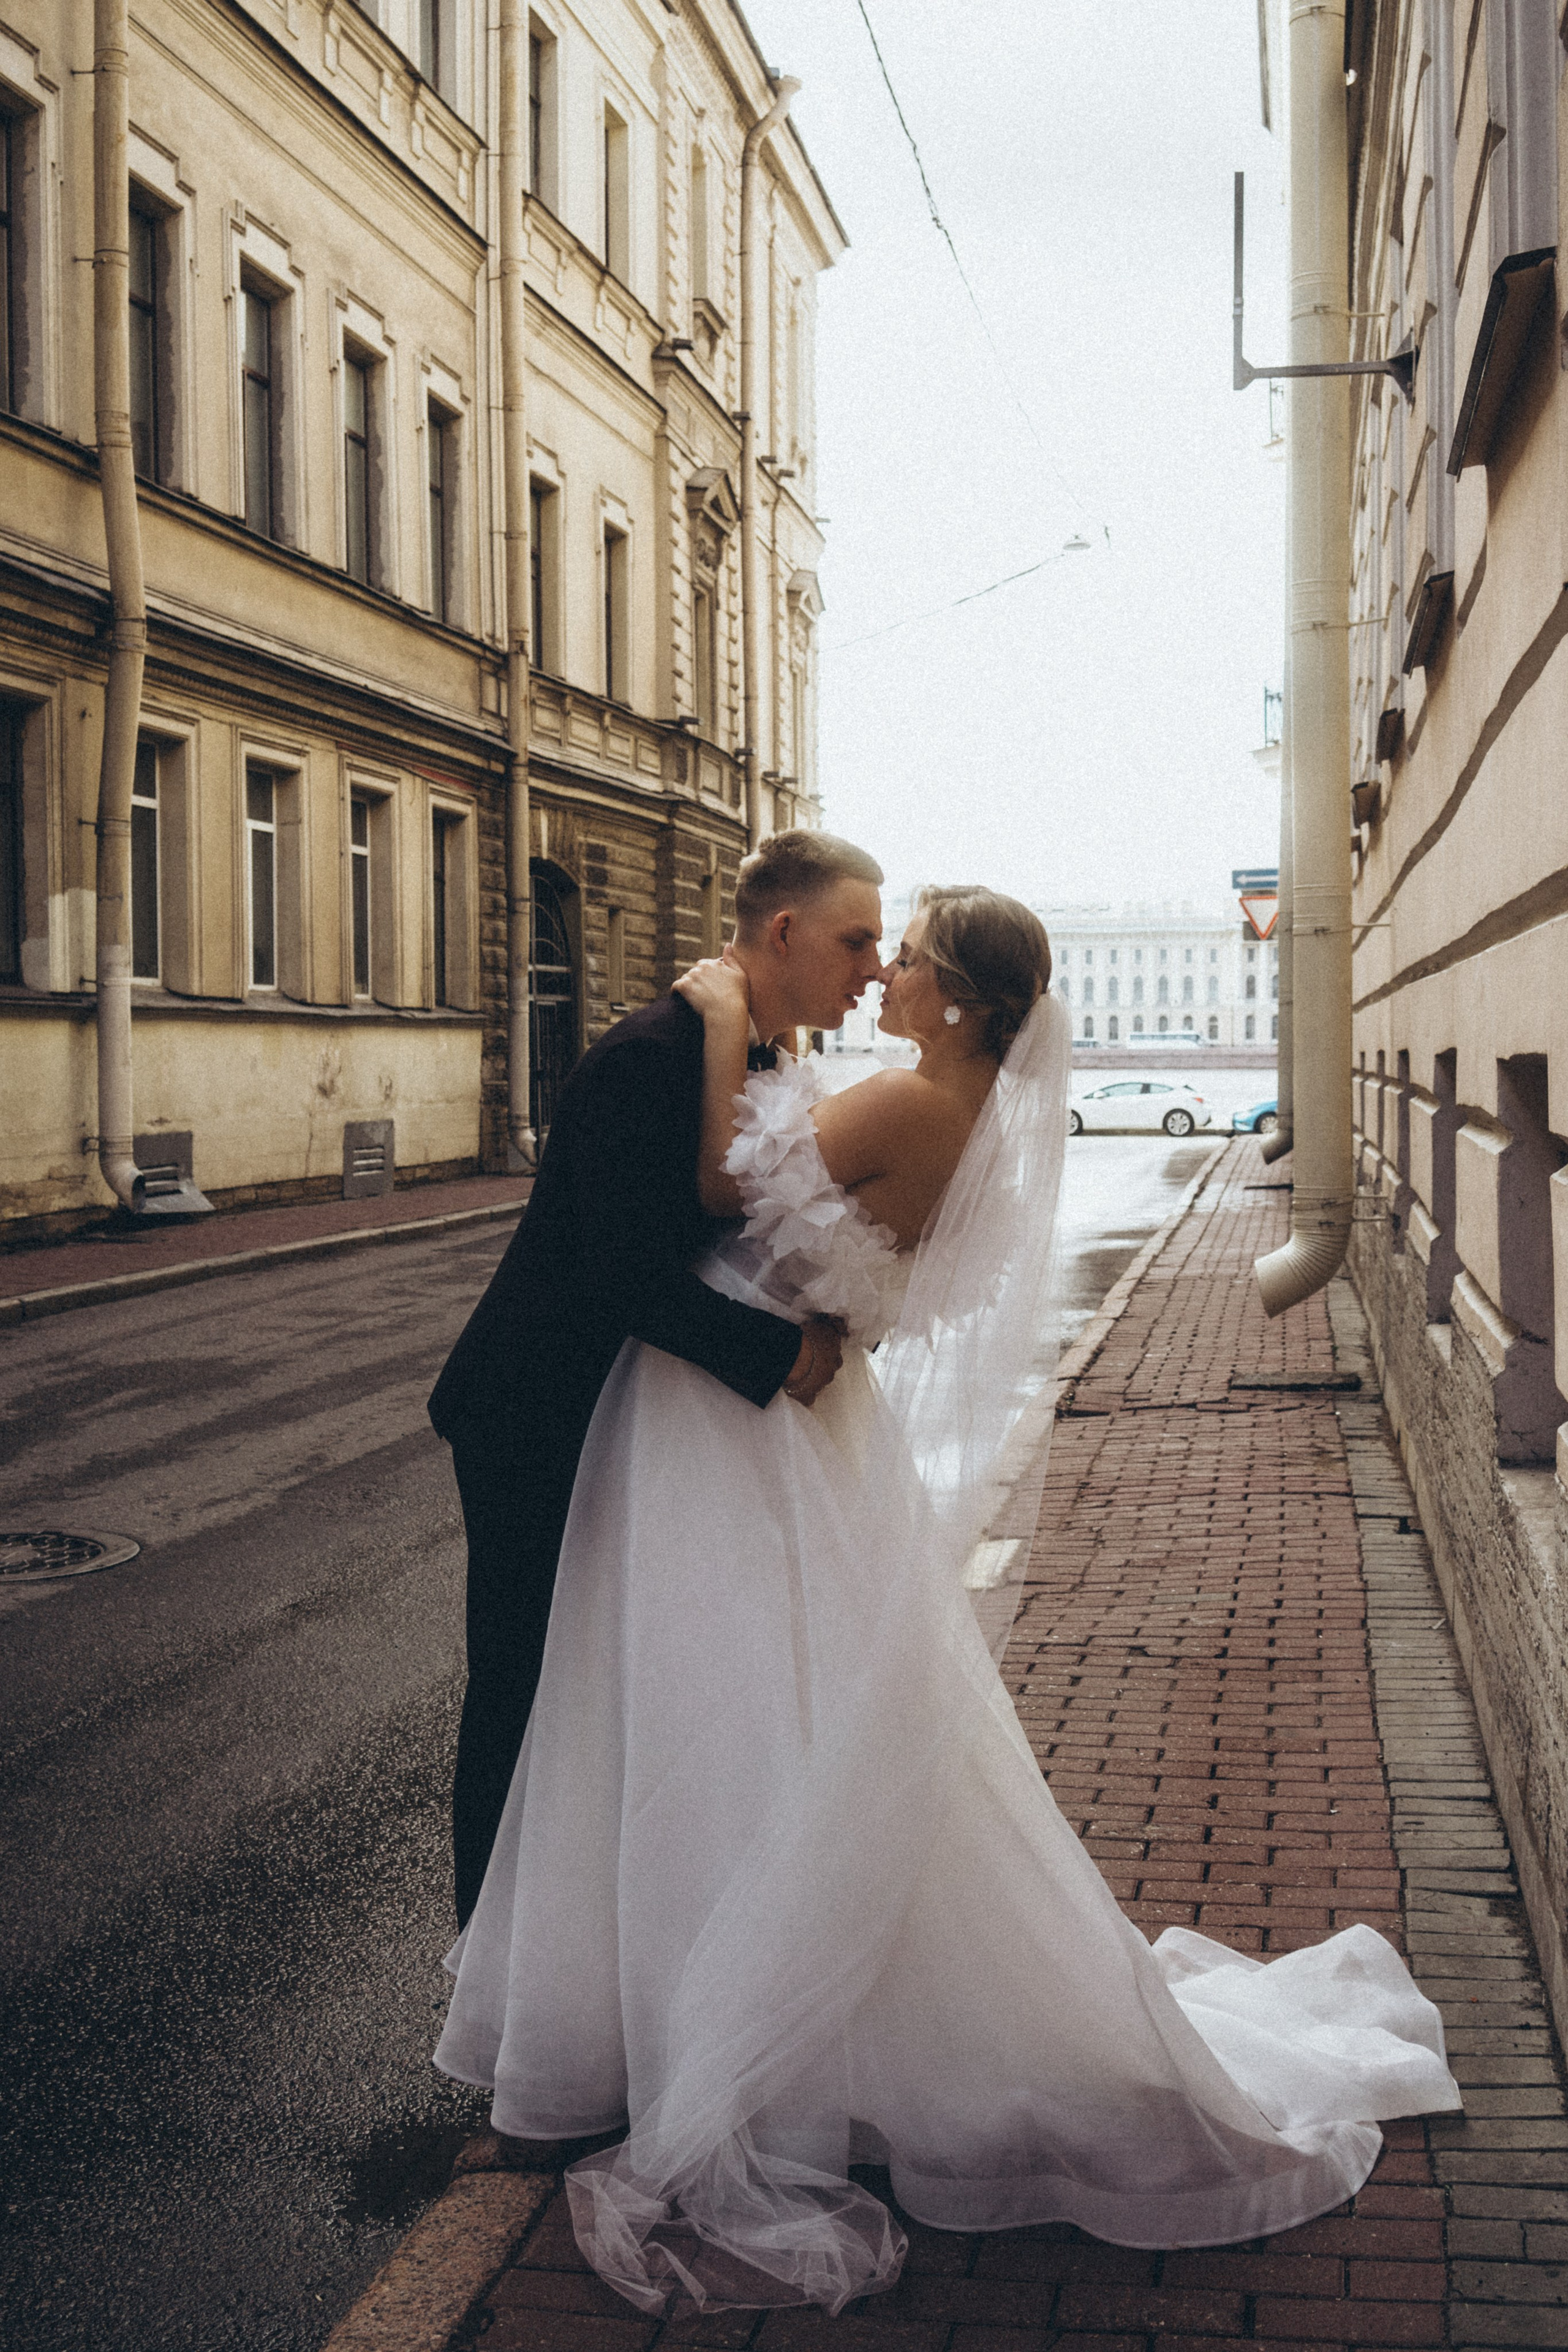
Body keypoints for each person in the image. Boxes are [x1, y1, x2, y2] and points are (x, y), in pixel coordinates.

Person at [435, 884, 1460, 2316]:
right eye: (872, 946)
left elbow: (720, 1187)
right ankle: (696, 1999)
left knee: (702, 1712)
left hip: (727, 1440)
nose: (886, 973)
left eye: (903, 957)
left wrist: (728, 1017)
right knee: (746, 1713)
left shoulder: (917, 1105)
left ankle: (702, 2017)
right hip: (763, 1426)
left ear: (961, 999)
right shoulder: (943, 1102)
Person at [427, 830, 886, 1926]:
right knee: (527, 1687)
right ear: (783, 931)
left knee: (612, 1690)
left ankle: (586, 1955)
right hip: (539, 1408)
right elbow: (620, 1271)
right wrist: (783, 1356)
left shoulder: (753, 1054)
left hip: (621, 1410)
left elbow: (730, 1221)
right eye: (855, 939)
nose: (872, 965)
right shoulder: (653, 1054)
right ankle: (489, 1965)